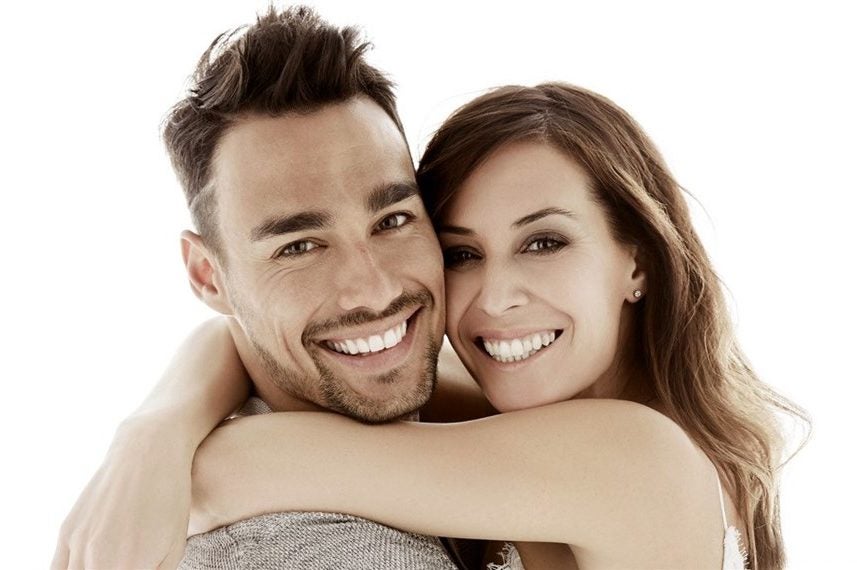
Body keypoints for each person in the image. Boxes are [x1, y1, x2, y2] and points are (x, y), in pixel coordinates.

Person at [179, 84, 808, 569]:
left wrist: (154, 437)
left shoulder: (639, 456)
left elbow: (231, 466)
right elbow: (238, 344)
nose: (498, 299)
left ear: (636, 262)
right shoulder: (498, 417)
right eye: (462, 254)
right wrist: (170, 409)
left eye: (544, 243)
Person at [51, 5, 476, 570]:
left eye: (392, 220)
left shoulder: (486, 371)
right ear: (209, 277)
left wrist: (156, 428)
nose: (374, 291)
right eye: (298, 247)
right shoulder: (308, 551)